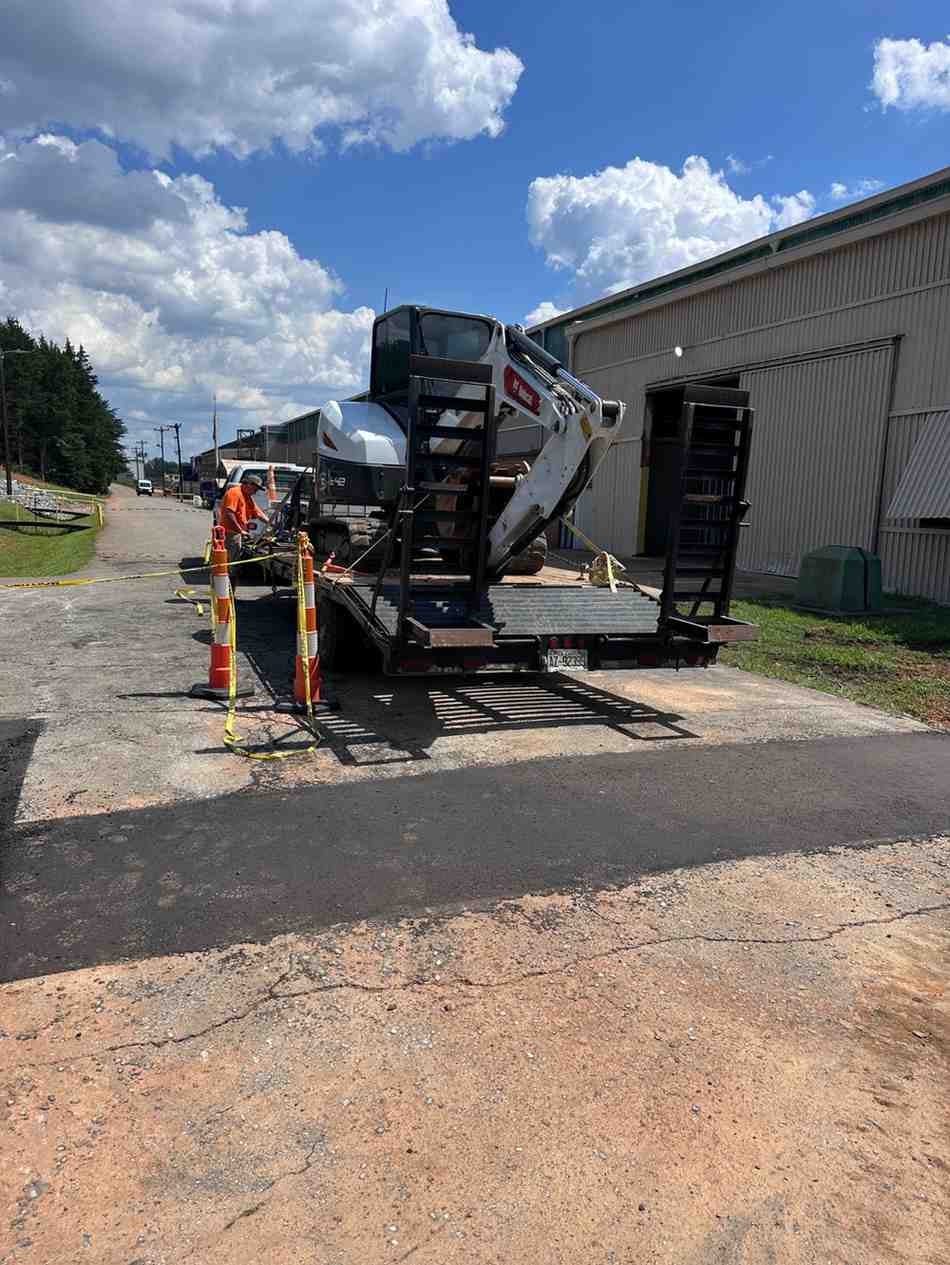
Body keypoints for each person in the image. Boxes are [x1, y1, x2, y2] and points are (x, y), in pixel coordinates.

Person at [219, 472, 270, 587]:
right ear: (249, 484)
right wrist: (240, 530)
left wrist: (270, 523)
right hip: (230, 534)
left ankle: (229, 593)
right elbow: (229, 513)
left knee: (234, 564)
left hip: (236, 533)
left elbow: (257, 512)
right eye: (255, 488)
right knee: (233, 564)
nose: (256, 491)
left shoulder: (247, 496)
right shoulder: (234, 493)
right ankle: (228, 593)